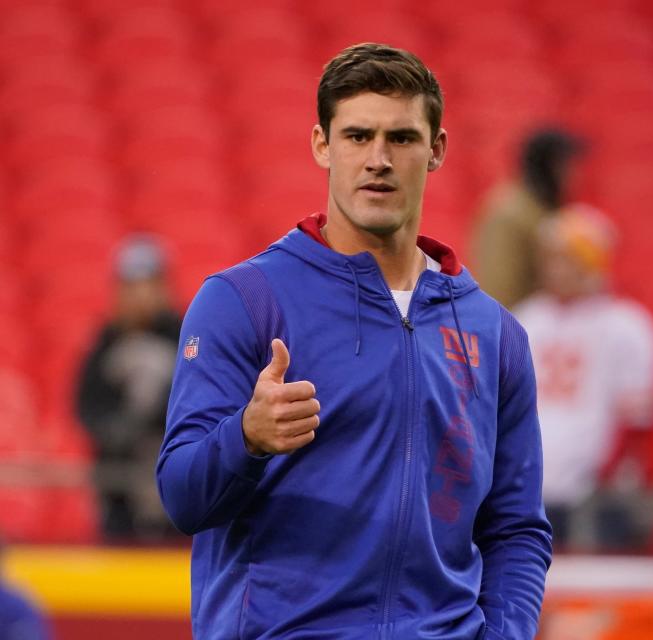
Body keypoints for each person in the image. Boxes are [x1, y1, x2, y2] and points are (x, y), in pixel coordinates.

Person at [157, 43, 551, 639]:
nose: (379, 159)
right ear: (323, 145)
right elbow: (182, 497)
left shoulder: (494, 333)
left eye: (402, 138)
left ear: (436, 150)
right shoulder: (245, 301)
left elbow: (516, 529)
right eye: (358, 136)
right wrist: (245, 438)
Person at [514, 205, 653, 550]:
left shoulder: (626, 326)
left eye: (564, 258)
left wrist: (607, 481)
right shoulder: (525, 318)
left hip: (595, 493)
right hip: (529, 485)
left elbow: (638, 419)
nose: (553, 268)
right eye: (550, 258)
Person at [76, 235, 181, 541]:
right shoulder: (104, 342)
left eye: (148, 284)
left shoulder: (184, 336)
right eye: (130, 286)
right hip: (118, 482)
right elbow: (86, 405)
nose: (140, 295)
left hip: (170, 478)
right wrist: (115, 429)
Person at [471, 128, 584, 309]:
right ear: (551, 166)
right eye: (567, 166)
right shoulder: (510, 213)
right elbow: (499, 290)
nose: (574, 175)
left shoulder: (544, 209)